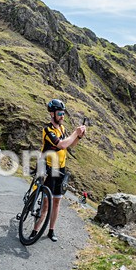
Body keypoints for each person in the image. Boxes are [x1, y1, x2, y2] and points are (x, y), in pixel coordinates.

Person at [32, 98, 87, 242]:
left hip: (61, 168)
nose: (62, 116)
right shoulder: (48, 130)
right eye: (60, 113)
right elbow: (61, 145)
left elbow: (70, 145)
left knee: (56, 202)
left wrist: (79, 137)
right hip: (49, 168)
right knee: (45, 204)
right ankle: (35, 230)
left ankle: (51, 230)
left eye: (63, 113)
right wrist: (75, 133)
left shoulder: (62, 129)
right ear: (52, 114)